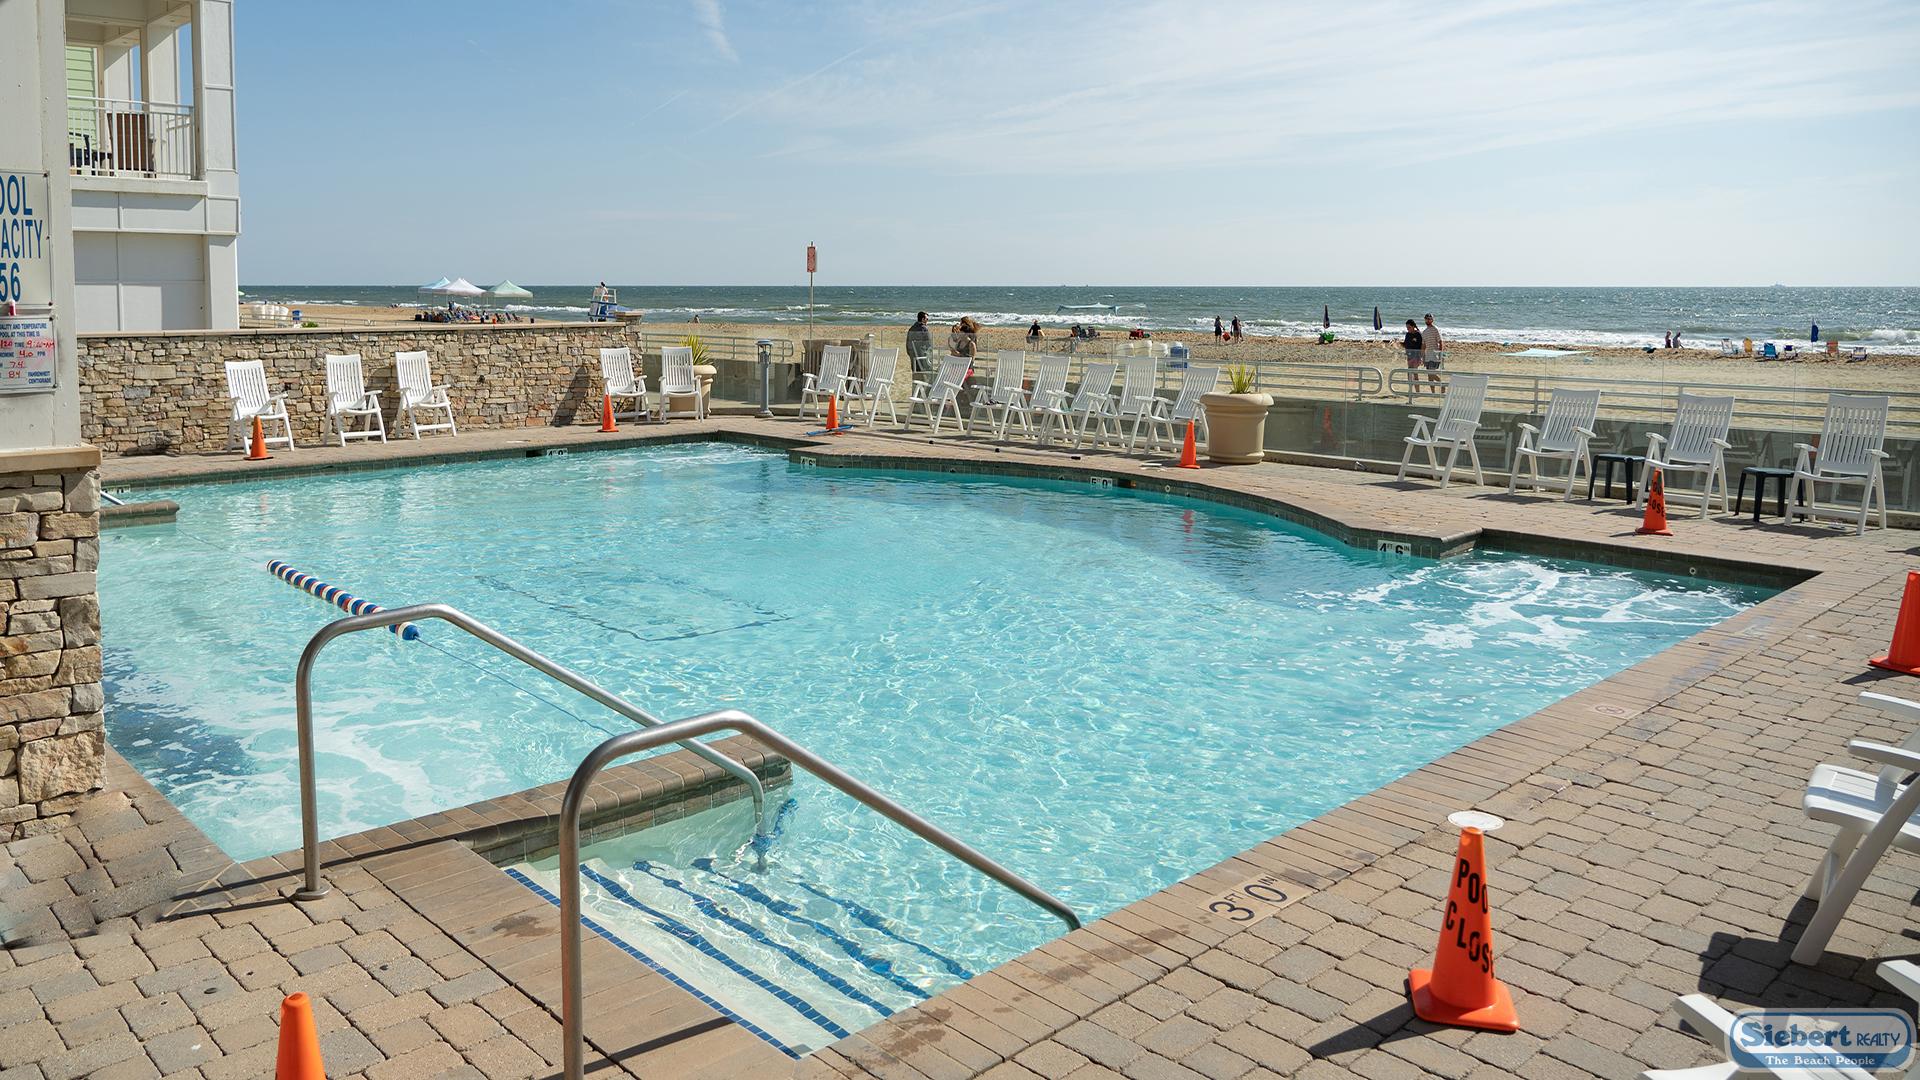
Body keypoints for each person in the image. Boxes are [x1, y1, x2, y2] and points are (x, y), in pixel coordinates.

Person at [1400, 319, 1426, 393]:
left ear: (1413, 326)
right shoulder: (1408, 334)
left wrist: (1422, 357)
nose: (1408, 329)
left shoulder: (1418, 334)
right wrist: (1399, 343)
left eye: (1409, 327)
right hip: (1409, 356)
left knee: (1415, 373)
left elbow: (1423, 346)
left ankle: (1417, 391)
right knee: (1409, 373)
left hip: (1417, 356)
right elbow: (1405, 345)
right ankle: (1410, 390)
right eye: (1407, 328)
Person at [905, 311, 933, 378]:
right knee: (923, 374)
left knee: (915, 373)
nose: (927, 321)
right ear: (923, 319)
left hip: (913, 354)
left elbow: (908, 342)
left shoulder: (912, 328)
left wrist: (910, 353)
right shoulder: (924, 329)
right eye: (927, 319)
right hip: (921, 355)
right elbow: (929, 344)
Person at [1420, 314, 1444, 390]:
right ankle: (1433, 393)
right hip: (1427, 356)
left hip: (1434, 355)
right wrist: (1422, 357)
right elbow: (1424, 346)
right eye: (1426, 319)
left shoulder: (1436, 329)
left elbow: (1440, 342)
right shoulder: (1424, 332)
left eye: (1429, 319)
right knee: (1429, 376)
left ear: (1432, 320)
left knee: (1431, 373)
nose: (1428, 320)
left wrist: (1440, 354)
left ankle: (1442, 384)